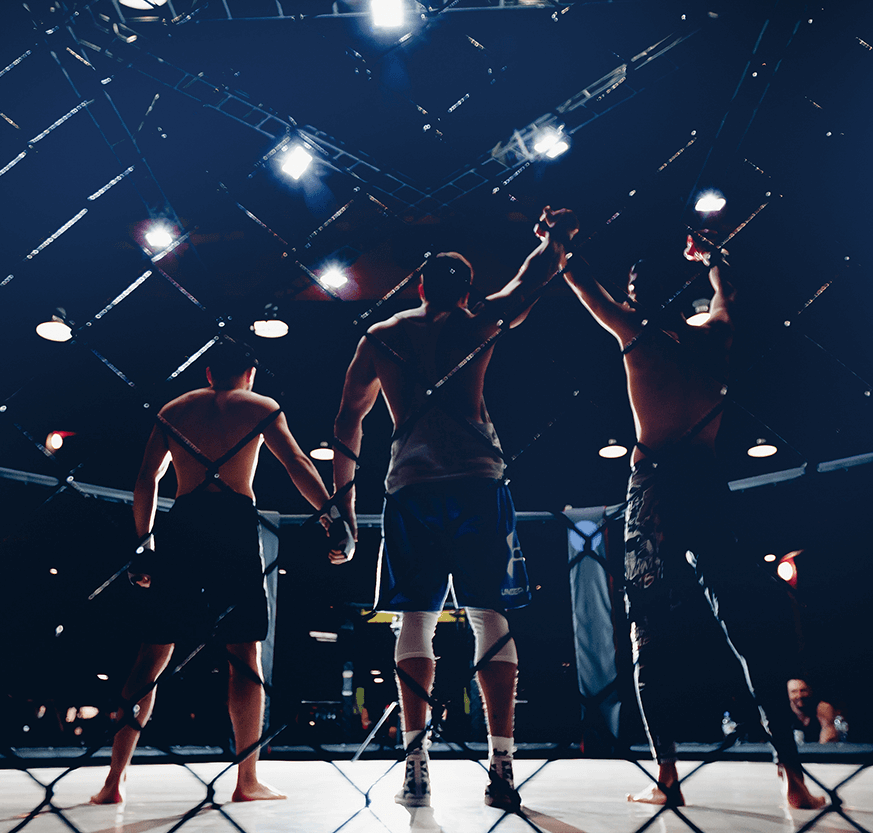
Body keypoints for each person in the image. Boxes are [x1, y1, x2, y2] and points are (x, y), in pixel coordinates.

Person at [561, 233, 826, 809]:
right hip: (707, 484)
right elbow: (729, 294)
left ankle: (667, 777)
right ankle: (794, 777)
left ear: (636, 295)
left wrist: (561, 241)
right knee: (745, 626)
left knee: (647, 630)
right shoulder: (714, 338)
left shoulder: (636, 335)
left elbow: (580, 282)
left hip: (655, 488)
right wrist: (712, 259)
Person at [331, 208, 577, 811]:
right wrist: (558, 237)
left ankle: (416, 766)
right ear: (466, 290)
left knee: (412, 619)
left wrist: (344, 503)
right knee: (488, 614)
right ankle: (502, 765)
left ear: (417, 285)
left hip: (411, 483)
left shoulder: (382, 335)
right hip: (476, 479)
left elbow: (347, 422)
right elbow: (533, 278)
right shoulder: (481, 321)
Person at [90, 338, 338, 805]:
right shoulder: (260, 405)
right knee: (243, 657)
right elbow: (297, 464)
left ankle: (113, 782)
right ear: (251, 373)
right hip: (233, 525)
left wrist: (145, 543)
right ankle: (246, 780)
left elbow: (147, 478)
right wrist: (329, 514)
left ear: (207, 373)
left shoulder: (175, 409)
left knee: (151, 657)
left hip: (183, 523)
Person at [788, 679, 847, 745]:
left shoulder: (822, 708)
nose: (799, 695)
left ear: (810, 691)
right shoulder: (783, 713)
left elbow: (829, 738)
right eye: (794, 692)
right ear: (788, 694)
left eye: (803, 691)